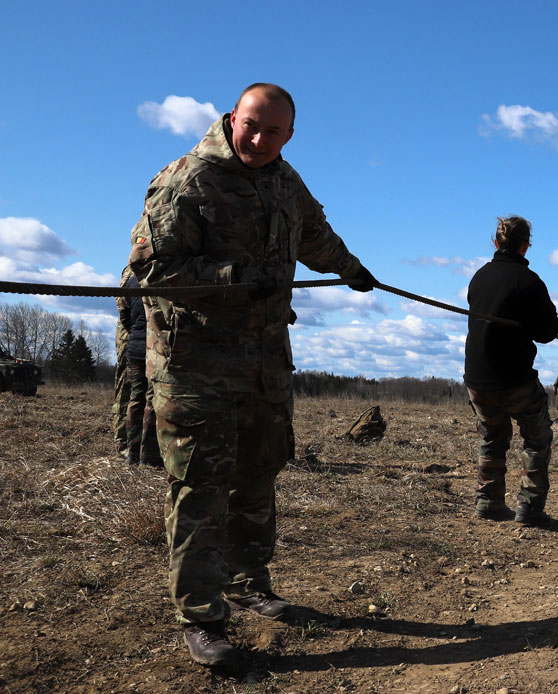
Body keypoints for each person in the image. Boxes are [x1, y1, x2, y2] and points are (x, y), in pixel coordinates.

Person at [128, 83, 378, 667]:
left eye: (274, 132)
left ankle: (248, 584)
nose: (260, 140)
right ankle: (202, 618)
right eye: (251, 126)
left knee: (259, 474)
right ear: (232, 118)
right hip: (197, 367)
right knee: (201, 487)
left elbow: (313, 234)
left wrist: (351, 268)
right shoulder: (187, 180)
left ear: (290, 136)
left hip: (265, 363)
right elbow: (154, 269)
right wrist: (233, 274)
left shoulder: (285, 180)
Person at [464, 216, 558, 527]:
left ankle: (488, 503)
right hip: (513, 379)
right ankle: (529, 508)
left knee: (492, 437)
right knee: (537, 436)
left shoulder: (478, 277)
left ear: (496, 242)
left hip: (476, 379)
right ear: (525, 245)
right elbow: (548, 331)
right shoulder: (528, 281)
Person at [118, 273, 160, 466]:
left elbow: (124, 315)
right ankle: (148, 455)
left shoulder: (131, 280)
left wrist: (135, 331)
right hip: (155, 349)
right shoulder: (160, 274)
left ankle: (132, 451)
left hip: (134, 347)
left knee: (136, 398)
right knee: (151, 400)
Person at [111, 265, 134, 455]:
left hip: (137, 334)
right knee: (126, 388)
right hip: (131, 336)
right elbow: (123, 305)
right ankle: (122, 442)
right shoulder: (133, 270)